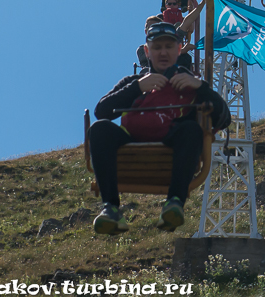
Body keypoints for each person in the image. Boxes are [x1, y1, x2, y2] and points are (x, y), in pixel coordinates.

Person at [89, 22, 231, 235]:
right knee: (99, 129)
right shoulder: (134, 82)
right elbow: (102, 111)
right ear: (147, 51)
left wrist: (200, 88)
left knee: (192, 130)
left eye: (168, 47)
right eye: (157, 47)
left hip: (170, 143)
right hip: (130, 143)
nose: (163, 52)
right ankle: (111, 208)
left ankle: (174, 202)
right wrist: (137, 87)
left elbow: (223, 118)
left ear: (178, 49)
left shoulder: (190, 85)